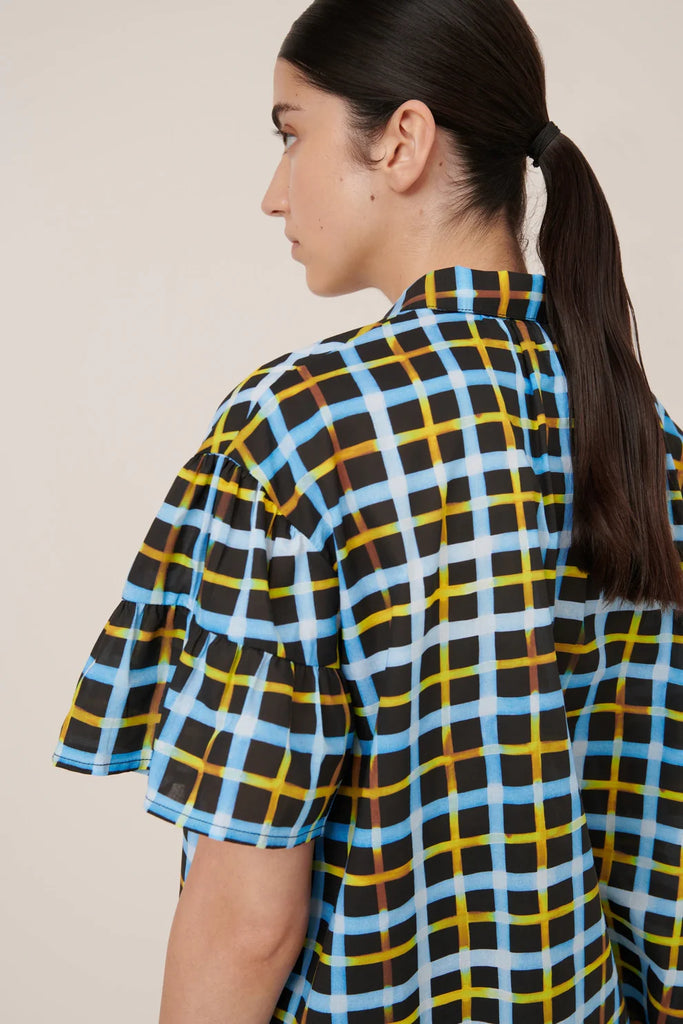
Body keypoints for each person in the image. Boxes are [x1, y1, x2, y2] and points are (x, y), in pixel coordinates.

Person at [51, 1, 683, 1022]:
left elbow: (250, 919)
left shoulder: (299, 431)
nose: (272, 193)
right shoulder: (640, 429)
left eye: (289, 134)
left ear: (402, 141)